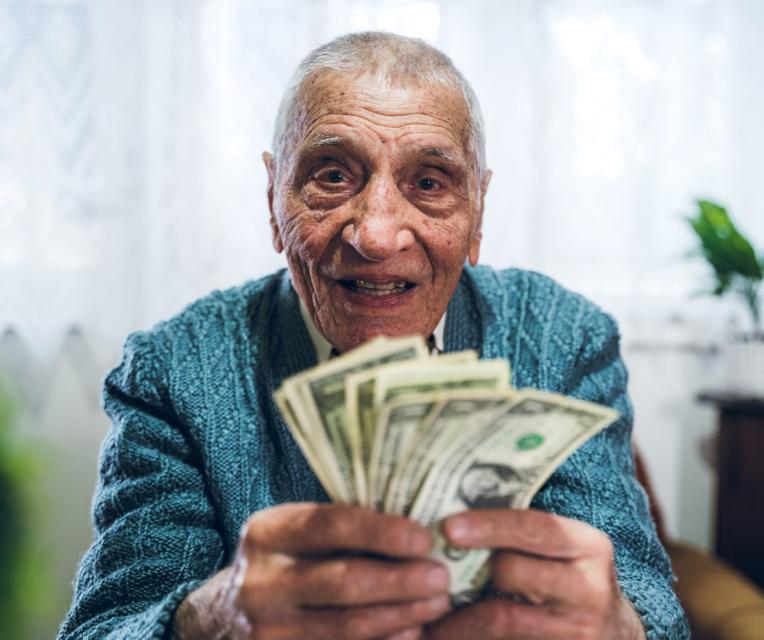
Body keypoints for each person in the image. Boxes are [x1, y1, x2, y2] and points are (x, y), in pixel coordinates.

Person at [58, 32, 689, 640]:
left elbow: (649, 601)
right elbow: (106, 626)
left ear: (479, 211)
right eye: (333, 176)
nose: (378, 235)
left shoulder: (563, 339)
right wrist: (212, 620)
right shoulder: (173, 369)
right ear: (273, 197)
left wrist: (620, 625)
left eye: (430, 183)